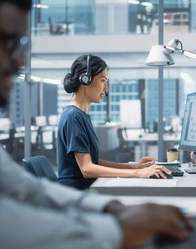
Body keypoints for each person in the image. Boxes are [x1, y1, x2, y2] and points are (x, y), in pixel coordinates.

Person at [0, 0, 190, 249]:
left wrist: (111, 207)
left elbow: (27, 189)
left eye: (22, 46)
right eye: (8, 42)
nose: (19, 61)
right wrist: (118, 227)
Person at [57, 54, 171, 190]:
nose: (106, 90)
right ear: (85, 80)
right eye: (102, 81)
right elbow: (87, 169)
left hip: (87, 189)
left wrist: (133, 166)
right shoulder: (72, 117)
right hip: (76, 194)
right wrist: (137, 173)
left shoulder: (81, 115)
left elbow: (92, 162)